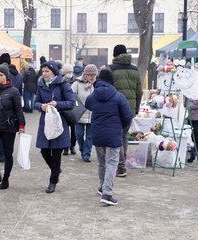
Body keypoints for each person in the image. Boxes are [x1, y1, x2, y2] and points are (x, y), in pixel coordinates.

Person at [85, 69, 133, 205]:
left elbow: (88, 104)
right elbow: (128, 116)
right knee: (112, 163)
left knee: (102, 163)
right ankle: (107, 193)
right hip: (113, 135)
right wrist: (121, 128)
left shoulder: (93, 96)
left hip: (97, 135)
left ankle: (102, 187)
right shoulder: (119, 96)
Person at [34, 60, 75, 193]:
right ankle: (56, 170)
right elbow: (36, 102)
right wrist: (42, 106)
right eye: (43, 71)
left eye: (47, 71)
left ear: (54, 73)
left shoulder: (63, 84)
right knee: (44, 151)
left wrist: (57, 104)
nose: (44, 73)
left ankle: (53, 181)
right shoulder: (41, 84)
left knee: (56, 153)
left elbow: (71, 102)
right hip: (45, 122)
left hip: (59, 122)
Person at [107, 44, 142, 177]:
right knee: (124, 137)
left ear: (114, 55)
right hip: (130, 109)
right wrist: (136, 108)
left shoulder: (111, 69)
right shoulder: (135, 69)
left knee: (116, 137)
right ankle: (121, 165)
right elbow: (139, 91)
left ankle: (120, 166)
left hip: (114, 109)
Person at [71, 64, 97, 162]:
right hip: (79, 113)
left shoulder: (97, 83)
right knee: (79, 134)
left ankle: (86, 154)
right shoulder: (77, 83)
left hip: (92, 114)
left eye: (94, 75)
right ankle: (82, 149)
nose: (92, 77)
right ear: (85, 74)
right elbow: (71, 94)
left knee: (90, 136)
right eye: (90, 75)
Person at [60, 63, 77, 156]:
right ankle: (65, 147)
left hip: (72, 108)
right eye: (68, 72)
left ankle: (73, 146)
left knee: (74, 129)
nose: (69, 74)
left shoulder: (75, 80)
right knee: (64, 129)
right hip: (63, 108)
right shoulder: (61, 81)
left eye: (71, 72)